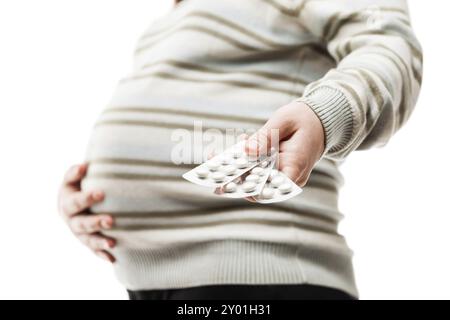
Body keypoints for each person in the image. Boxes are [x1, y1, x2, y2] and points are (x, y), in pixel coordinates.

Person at [57, 0, 422, 300]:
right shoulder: (170, 20)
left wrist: (324, 114)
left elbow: (389, 48)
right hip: (147, 283)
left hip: (261, 272)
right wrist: (90, 193)